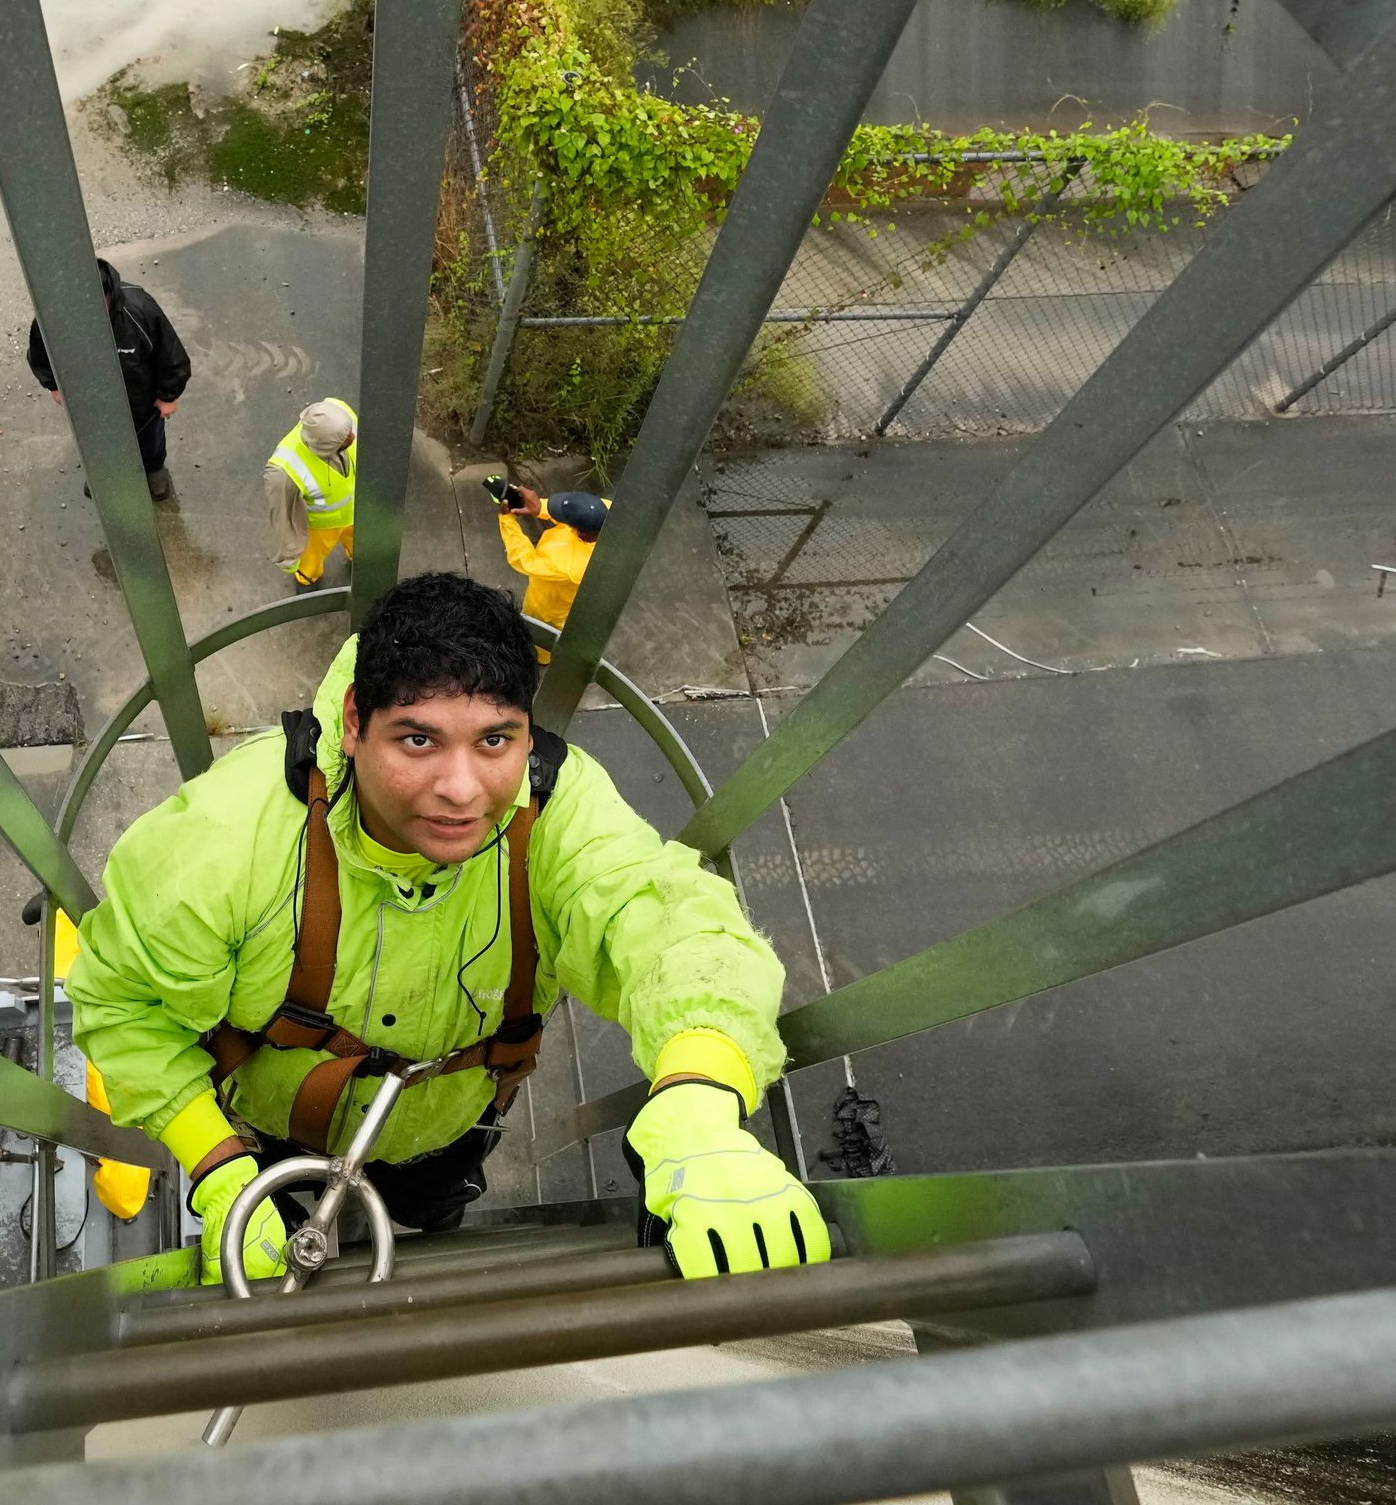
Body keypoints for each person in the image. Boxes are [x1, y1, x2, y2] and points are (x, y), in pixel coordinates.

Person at [68, 572, 827, 1285]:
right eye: (418, 740)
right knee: (286, 1221)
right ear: (353, 723)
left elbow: (666, 922)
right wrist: (218, 1166)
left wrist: (698, 1094)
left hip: (449, 1133)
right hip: (269, 1137)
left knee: (435, 1219)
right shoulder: (225, 844)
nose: (462, 791)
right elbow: (125, 1005)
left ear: (528, 735)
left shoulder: (552, 816)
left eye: (495, 740)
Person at [24, 255, 189, 500]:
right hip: (90, 405)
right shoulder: (52, 315)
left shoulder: (139, 308)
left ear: (107, 295)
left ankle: (153, 469)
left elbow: (170, 354)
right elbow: (40, 352)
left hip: (140, 403)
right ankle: (104, 472)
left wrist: (168, 395)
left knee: (149, 439)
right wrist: (54, 385)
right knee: (96, 442)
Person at [495, 480, 609, 657]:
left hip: (548, 604)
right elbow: (575, 514)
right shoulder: (606, 511)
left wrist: (507, 521)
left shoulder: (565, 566)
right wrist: (540, 507)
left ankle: (541, 657)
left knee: (543, 630)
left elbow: (524, 560)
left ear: (581, 531)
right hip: (573, 593)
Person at [266, 396, 357, 590]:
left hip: (358, 512)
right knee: (310, 563)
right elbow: (282, 517)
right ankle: (307, 580)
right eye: (345, 439)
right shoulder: (283, 470)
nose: (352, 437)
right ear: (326, 448)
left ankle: (358, 555)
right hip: (321, 526)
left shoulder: (339, 414)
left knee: (361, 544)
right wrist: (288, 556)